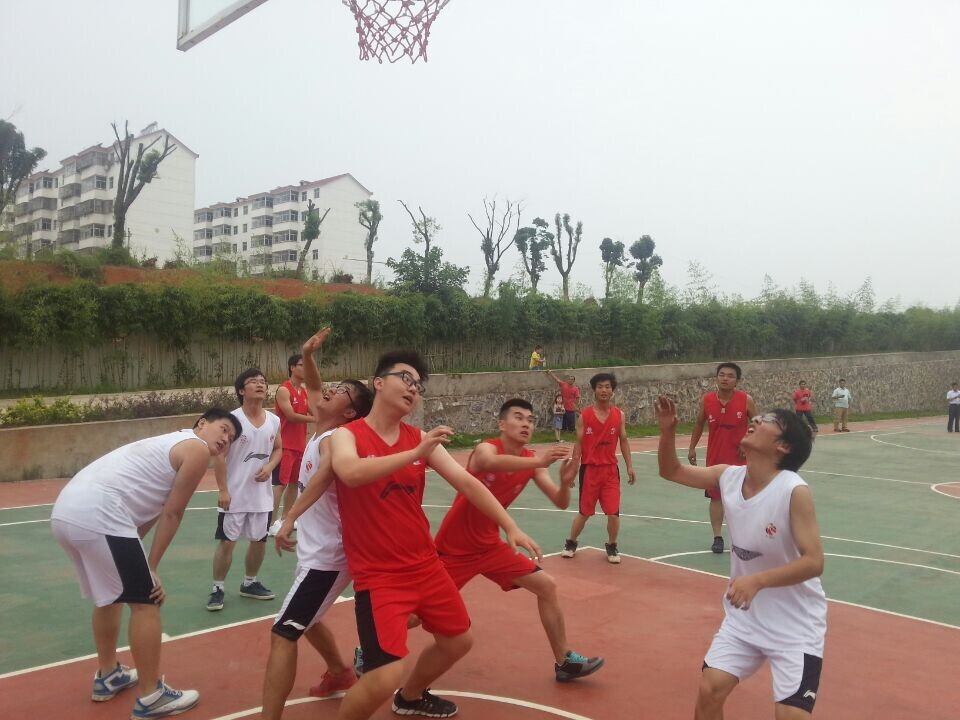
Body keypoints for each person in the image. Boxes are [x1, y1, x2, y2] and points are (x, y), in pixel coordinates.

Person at [329, 350, 542, 720]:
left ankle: (410, 697)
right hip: (380, 575)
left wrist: (510, 525)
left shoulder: (418, 439)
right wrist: (416, 451)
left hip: (427, 567)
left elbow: (467, 483)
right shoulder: (348, 435)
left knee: (458, 641)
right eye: (405, 379)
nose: (413, 388)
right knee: (383, 675)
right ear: (378, 383)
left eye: (418, 385)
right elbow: (350, 472)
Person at [51, 408, 242, 719]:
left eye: (231, 438)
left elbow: (152, 512)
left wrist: (143, 564)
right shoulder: (195, 449)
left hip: (67, 512)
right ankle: (152, 696)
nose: (226, 440)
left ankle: (109, 675)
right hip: (99, 513)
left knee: (112, 596)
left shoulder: (169, 445)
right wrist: (150, 570)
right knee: (146, 601)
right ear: (202, 423)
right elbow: (173, 513)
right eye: (223, 429)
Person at [655, 396, 825, 720]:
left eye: (769, 420)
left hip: (795, 624)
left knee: (790, 715)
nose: (756, 419)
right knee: (710, 689)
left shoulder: (793, 490)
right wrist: (667, 432)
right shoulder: (728, 476)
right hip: (745, 617)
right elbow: (670, 470)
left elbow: (814, 561)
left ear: (783, 446)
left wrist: (757, 580)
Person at [435, 398, 604, 682]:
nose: (526, 423)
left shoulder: (531, 462)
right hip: (454, 549)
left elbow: (560, 501)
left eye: (531, 419)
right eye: (519, 417)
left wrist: (565, 483)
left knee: (546, 586)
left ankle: (564, 661)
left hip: (490, 546)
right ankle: (370, 649)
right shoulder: (486, 448)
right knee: (417, 614)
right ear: (502, 424)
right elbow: (488, 462)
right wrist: (539, 460)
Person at [263, 328, 376, 720]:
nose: (329, 389)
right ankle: (340, 671)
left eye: (341, 391)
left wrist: (290, 516)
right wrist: (308, 354)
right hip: (316, 550)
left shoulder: (336, 439)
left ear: (350, 413)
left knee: (283, 633)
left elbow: (326, 473)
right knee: (308, 619)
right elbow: (313, 385)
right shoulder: (322, 427)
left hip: (329, 556)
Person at [207, 368, 282, 611]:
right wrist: (223, 490)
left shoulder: (274, 420)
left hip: (262, 496)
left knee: (259, 541)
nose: (260, 385)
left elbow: (278, 448)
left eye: (263, 381)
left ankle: (250, 583)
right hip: (235, 494)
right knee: (228, 542)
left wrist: (270, 466)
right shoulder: (232, 420)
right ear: (241, 390)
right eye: (253, 381)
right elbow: (219, 456)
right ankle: (217, 588)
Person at [560, 372, 636, 564]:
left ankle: (612, 545)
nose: (604, 390)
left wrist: (629, 466)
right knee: (584, 512)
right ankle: (571, 542)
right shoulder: (584, 416)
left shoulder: (619, 415)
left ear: (612, 391)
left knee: (613, 512)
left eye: (607, 387)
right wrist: (573, 470)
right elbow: (578, 445)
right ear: (594, 390)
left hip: (610, 471)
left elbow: (624, 441)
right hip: (590, 470)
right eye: (600, 387)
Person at [688, 362, 757, 554]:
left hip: (740, 460)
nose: (725, 378)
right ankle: (717, 537)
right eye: (722, 375)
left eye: (730, 376)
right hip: (715, 458)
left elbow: (757, 424)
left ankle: (743, 538)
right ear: (716, 378)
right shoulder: (707, 400)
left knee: (743, 498)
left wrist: (747, 442)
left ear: (737, 381)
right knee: (716, 498)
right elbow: (699, 424)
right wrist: (692, 447)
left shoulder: (746, 400)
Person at [269, 354, 314, 537]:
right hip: (285, 445)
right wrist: (316, 419)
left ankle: (286, 518)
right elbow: (291, 416)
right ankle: (271, 523)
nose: (305, 368)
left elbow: (315, 411)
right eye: (302, 365)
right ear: (292, 367)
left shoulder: (303, 392)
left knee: (295, 484)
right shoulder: (284, 390)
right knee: (280, 484)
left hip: (300, 445)